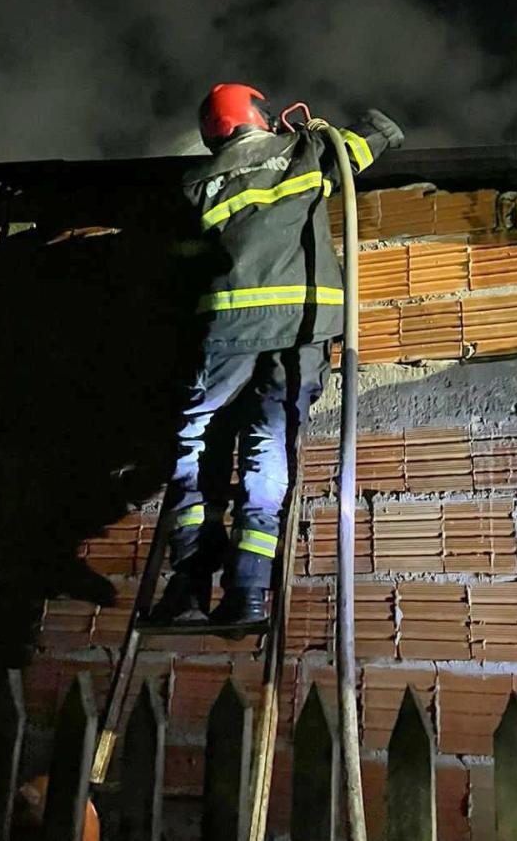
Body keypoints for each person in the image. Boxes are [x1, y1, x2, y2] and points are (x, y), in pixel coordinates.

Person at [151, 83, 404, 629]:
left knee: (193, 440)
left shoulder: (194, 183)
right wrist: (338, 128)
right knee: (268, 444)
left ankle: (188, 578)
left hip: (226, 330)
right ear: (257, 114)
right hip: (302, 327)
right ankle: (248, 589)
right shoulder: (304, 151)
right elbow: (379, 134)